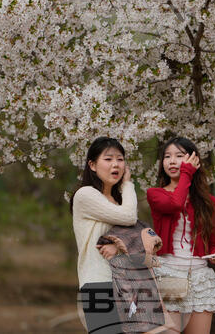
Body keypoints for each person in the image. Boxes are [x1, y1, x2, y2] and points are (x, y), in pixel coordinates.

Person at [147, 138, 215, 334]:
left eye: (179, 156)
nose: (172, 161)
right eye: (167, 156)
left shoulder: (210, 203)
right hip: (169, 273)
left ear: (193, 160)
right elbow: (175, 204)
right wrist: (187, 172)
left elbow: (213, 243)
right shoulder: (155, 194)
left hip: (200, 279)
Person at [71, 137, 138, 334]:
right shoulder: (85, 195)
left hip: (126, 286)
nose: (115, 164)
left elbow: (135, 235)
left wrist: (118, 245)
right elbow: (130, 217)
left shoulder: (120, 200)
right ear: (92, 165)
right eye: (108, 159)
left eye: (120, 159)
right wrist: (128, 184)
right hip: (98, 283)